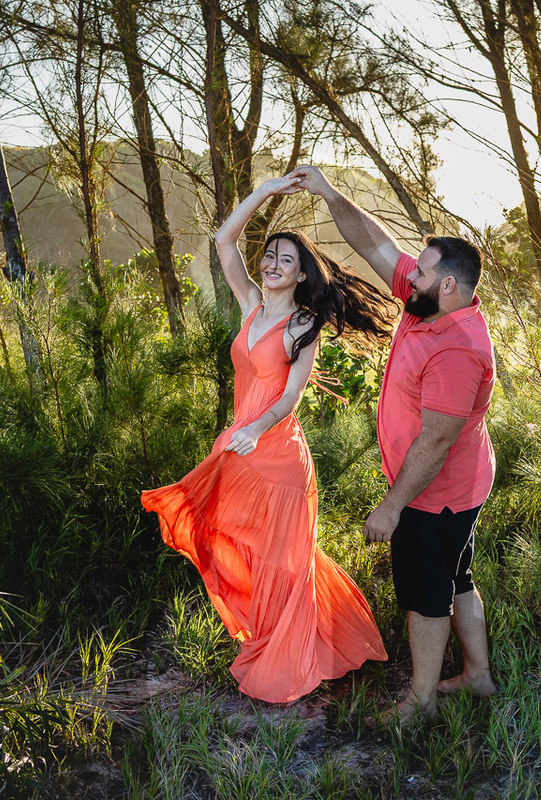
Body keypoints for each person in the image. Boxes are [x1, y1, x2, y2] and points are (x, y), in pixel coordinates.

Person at [141, 176, 395, 704]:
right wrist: (267, 191)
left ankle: (290, 654)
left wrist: (253, 430)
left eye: (285, 259)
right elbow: (224, 241)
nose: (272, 264)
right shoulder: (250, 305)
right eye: (270, 256)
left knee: (286, 558)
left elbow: (288, 400)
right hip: (240, 445)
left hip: (276, 454)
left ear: (301, 273)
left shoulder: (304, 324)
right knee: (229, 535)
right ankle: (271, 635)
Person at [288, 164, 499, 721]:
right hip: (457, 483)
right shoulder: (426, 299)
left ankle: (420, 704)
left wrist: (392, 505)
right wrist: (329, 193)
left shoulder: (458, 349)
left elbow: (433, 443)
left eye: (423, 270)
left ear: (448, 285)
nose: (410, 274)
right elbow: (375, 243)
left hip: (437, 492)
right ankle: (478, 677)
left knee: (426, 598)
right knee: (459, 577)